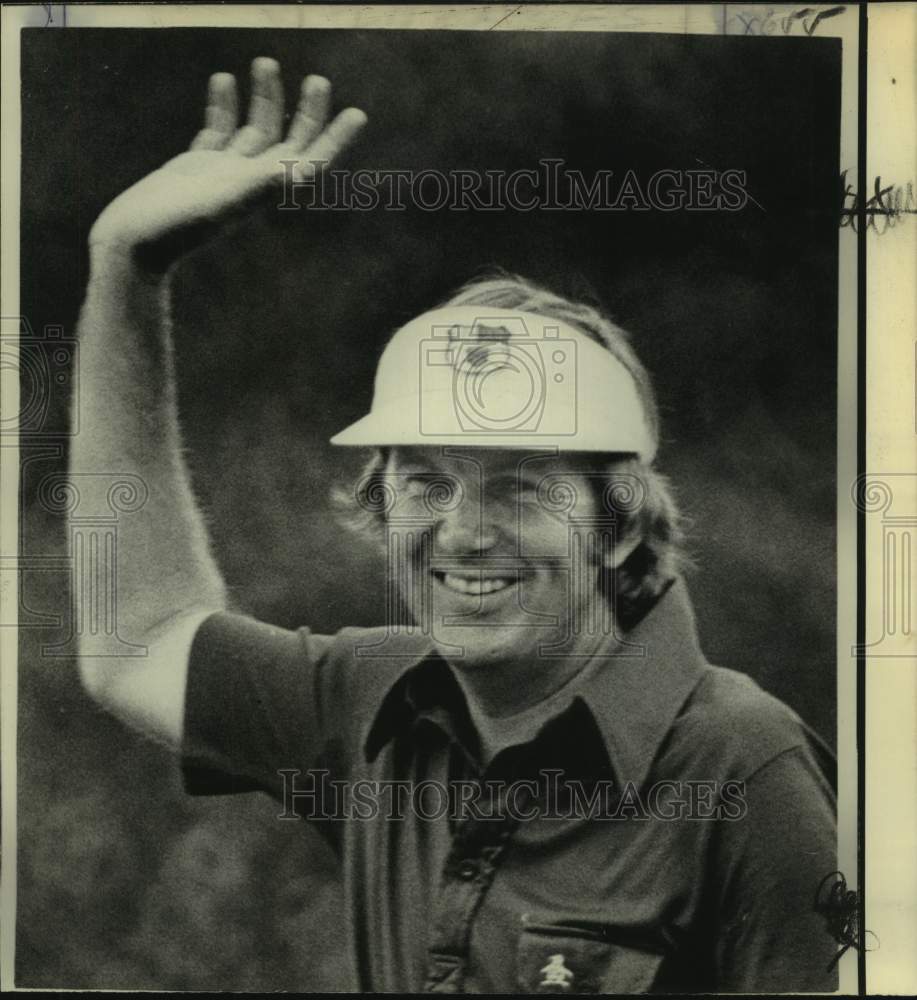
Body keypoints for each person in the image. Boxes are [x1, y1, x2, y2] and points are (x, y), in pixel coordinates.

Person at [75, 58, 839, 993]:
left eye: (519, 489)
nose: (464, 531)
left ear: (622, 524)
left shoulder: (742, 765)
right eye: (426, 483)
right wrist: (126, 268)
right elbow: (138, 635)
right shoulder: (373, 701)